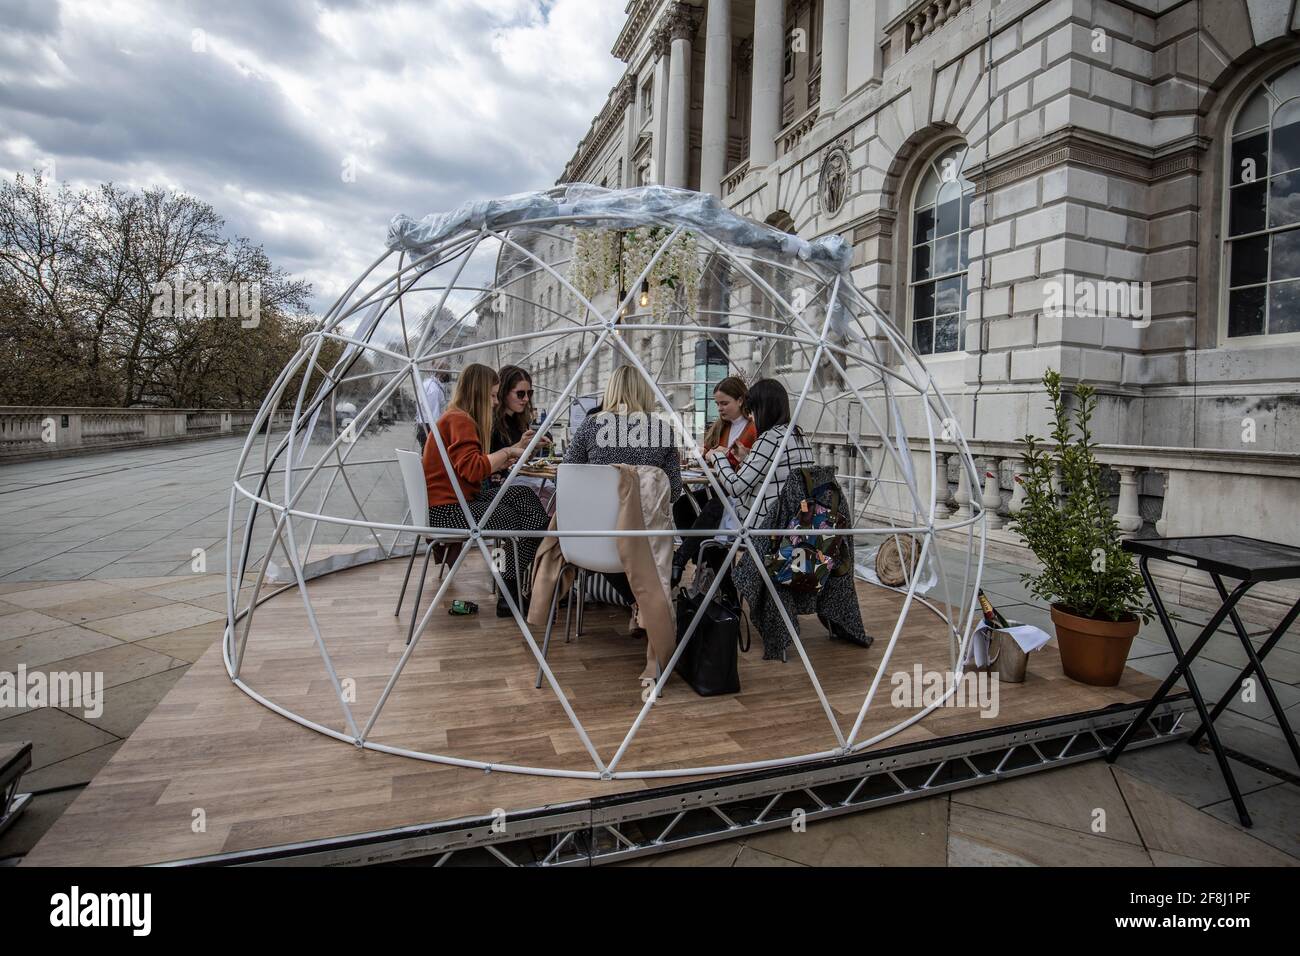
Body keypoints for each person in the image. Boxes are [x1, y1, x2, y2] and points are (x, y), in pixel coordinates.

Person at [422, 363, 549, 617]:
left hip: (455, 502)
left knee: (524, 499)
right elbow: (473, 470)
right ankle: (508, 589)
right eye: (492, 395)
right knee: (515, 519)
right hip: (448, 512)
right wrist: (507, 452)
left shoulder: (455, 417)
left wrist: (504, 457)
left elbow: (467, 470)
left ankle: (507, 585)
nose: (494, 402)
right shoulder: (460, 420)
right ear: (478, 393)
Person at [563, 365, 682, 604]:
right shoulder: (663, 430)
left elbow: (567, 480)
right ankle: (642, 600)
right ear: (646, 392)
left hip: (594, 539)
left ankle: (635, 600)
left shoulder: (590, 426)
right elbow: (674, 492)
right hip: (645, 541)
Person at [671, 376, 757, 583]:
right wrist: (708, 454)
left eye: (724, 403)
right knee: (682, 505)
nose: (720, 408)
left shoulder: (752, 429)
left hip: (741, 494)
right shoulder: (722, 427)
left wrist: (720, 455)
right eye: (717, 403)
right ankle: (703, 562)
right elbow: (715, 455)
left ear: (740, 400)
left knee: (715, 507)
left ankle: (684, 560)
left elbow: (737, 461)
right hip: (721, 488)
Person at [716, 378, 815, 528]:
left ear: (762, 410)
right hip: (793, 518)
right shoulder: (799, 436)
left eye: (753, 411)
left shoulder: (771, 438)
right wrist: (746, 458)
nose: (751, 417)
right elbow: (775, 473)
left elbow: (736, 487)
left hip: (764, 524)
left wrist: (717, 457)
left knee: (713, 507)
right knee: (713, 508)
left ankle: (693, 551)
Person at [415, 369, 447, 450]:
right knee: (430, 453)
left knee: (427, 452)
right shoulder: (433, 388)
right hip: (429, 426)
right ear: (440, 373)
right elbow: (433, 411)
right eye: (446, 371)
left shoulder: (431, 384)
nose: (447, 374)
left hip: (425, 424)